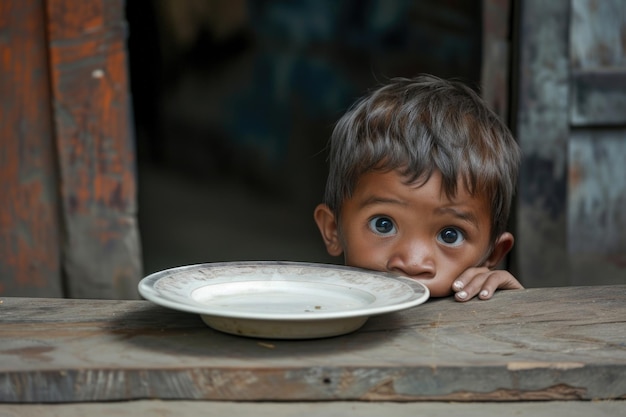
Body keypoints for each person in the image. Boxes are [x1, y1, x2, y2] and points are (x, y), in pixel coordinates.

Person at [314, 74, 523, 301]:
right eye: (383, 225)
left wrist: (513, 309)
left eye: (450, 235)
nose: (413, 263)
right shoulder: (313, 310)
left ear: (492, 253)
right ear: (333, 230)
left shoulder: (487, 309)